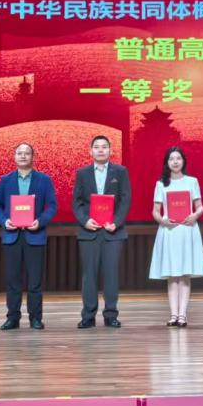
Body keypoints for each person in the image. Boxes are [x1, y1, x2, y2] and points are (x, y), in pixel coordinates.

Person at [0, 142, 58, 330]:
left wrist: (40, 221)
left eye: (27, 153)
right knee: (13, 280)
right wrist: (4, 221)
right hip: (12, 235)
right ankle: (12, 318)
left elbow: (52, 205)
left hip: (35, 235)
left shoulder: (44, 180)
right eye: (19, 153)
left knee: (35, 281)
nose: (23, 156)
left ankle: (35, 318)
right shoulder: (5, 180)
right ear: (14, 157)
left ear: (32, 157)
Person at [72, 135, 131, 329]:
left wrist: (116, 222)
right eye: (96, 147)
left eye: (104, 147)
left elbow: (125, 200)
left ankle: (111, 315)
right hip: (89, 231)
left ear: (110, 150)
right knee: (89, 275)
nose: (100, 150)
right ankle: (88, 316)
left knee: (111, 274)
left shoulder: (120, 172)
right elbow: (77, 202)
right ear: (90, 151)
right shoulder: (82, 173)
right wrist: (85, 221)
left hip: (113, 232)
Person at [149, 146, 203, 327]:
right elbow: (155, 211)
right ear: (167, 163)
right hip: (169, 231)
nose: (175, 162)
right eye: (171, 159)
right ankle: (173, 315)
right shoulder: (161, 184)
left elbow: (200, 207)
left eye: (178, 158)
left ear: (183, 161)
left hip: (187, 229)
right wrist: (163, 221)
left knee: (184, 274)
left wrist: (194, 216)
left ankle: (183, 315)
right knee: (172, 274)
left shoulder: (192, 181)